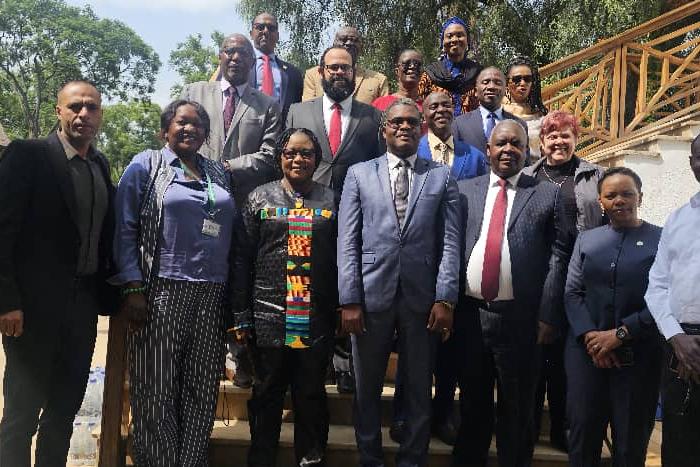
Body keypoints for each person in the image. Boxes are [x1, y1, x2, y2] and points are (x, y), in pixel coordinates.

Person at [337, 98, 461, 467]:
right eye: (397, 122)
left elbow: (450, 241)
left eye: (411, 122)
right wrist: (349, 299)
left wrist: (446, 297)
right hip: (369, 294)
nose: (404, 127)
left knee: (420, 386)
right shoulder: (359, 174)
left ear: (422, 129)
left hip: (423, 298)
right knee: (367, 387)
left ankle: (413, 459)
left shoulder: (441, 176)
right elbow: (348, 240)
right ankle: (370, 458)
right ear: (384, 130)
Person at [112, 100, 237, 465]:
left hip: (212, 293)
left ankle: (191, 460)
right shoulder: (146, 164)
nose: (189, 129)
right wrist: (133, 286)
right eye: (181, 122)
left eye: (198, 125)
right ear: (165, 129)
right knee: (155, 388)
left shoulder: (217, 171)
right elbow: (125, 227)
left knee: (201, 387)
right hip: (162, 291)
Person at [0, 80, 117, 466]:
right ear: (59, 111)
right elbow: (3, 229)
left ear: (100, 114)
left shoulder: (100, 165)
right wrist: (7, 301)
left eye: (92, 107)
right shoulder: (28, 155)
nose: (84, 114)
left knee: (64, 411)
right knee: (21, 413)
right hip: (31, 310)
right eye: (75, 106)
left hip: (83, 308)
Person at [453, 120, 570, 467]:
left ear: (527, 151)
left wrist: (549, 313)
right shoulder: (464, 190)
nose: (508, 149)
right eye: (501, 143)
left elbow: (559, 256)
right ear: (488, 150)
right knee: (472, 405)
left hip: (521, 321)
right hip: (471, 316)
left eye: (516, 144)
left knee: (517, 409)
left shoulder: (547, 194)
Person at [231, 127, 337, 467]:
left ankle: (310, 460)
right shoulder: (259, 198)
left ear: (317, 160)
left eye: (306, 153)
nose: (298, 159)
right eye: (291, 153)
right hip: (268, 316)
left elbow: (343, 258)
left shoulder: (332, 200)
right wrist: (240, 315)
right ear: (280, 158)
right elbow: (241, 259)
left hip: (314, 317)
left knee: (311, 396)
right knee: (266, 395)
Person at [389, 90, 487, 446]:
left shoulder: (474, 156)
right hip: (418, 265)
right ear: (424, 117)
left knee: (450, 350)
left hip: (460, 259)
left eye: (447, 105)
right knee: (413, 349)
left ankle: (443, 413)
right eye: (433, 106)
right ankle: (403, 415)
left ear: (455, 111)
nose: (441, 110)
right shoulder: (412, 151)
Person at [288, 46, 383, 393]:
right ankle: (302, 360)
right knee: (303, 280)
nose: (339, 73)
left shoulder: (371, 117)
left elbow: (378, 166)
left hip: (352, 216)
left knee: (345, 282)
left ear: (354, 73)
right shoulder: (298, 111)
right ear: (321, 72)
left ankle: (343, 363)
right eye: (333, 67)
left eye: (345, 68)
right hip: (305, 211)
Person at [565, 167, 662, 466]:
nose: (619, 200)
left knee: (630, 443)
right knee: (583, 437)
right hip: (586, 356)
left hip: (638, 357)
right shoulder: (586, 240)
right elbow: (572, 292)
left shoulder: (662, 240)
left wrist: (620, 335)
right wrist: (593, 339)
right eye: (611, 195)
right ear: (600, 202)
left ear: (640, 197)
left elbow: (666, 296)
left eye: (627, 194)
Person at [522, 109, 605, 451]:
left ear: (576, 139)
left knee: (565, 361)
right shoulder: (527, 176)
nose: (558, 141)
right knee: (533, 359)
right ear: (542, 141)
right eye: (552, 136)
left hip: (579, 279)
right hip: (536, 279)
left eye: (565, 135)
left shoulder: (595, 175)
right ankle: (527, 429)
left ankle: (562, 429)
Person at [645, 134, 700, 467]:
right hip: (678, 346)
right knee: (679, 446)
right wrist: (676, 337)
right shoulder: (678, 219)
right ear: (692, 163)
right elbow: (657, 286)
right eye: (699, 156)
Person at [181, 33, 282, 206]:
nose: (236, 57)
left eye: (243, 53)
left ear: (252, 62)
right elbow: (175, 141)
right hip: (193, 193)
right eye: (229, 51)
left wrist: (227, 167)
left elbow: (270, 154)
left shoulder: (268, 105)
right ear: (219, 57)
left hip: (244, 200)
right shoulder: (193, 93)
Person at [452, 67, 528, 157]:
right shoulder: (459, 124)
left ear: (505, 90)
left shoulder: (520, 125)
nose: (491, 87)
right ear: (476, 91)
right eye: (485, 82)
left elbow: (525, 162)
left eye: (498, 83)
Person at [302, 26, 389, 104]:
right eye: (343, 39)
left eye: (355, 40)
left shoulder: (379, 80)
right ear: (334, 43)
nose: (349, 43)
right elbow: (307, 109)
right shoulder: (313, 75)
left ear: (361, 46)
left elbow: (385, 113)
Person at [418, 16, 482, 117]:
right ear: (442, 42)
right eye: (449, 36)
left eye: (460, 35)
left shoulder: (479, 74)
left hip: (472, 126)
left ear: (467, 40)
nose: (455, 39)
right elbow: (420, 108)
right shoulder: (431, 74)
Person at [247, 12, 303, 122]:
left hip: (281, 129)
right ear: (251, 34)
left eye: (271, 28)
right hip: (247, 129)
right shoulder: (239, 67)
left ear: (277, 35)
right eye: (260, 27)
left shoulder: (293, 73)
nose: (265, 31)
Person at [502, 55, 548, 163]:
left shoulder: (540, 115)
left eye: (527, 79)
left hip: (535, 169)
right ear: (507, 82)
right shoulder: (497, 113)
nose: (522, 83)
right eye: (516, 79)